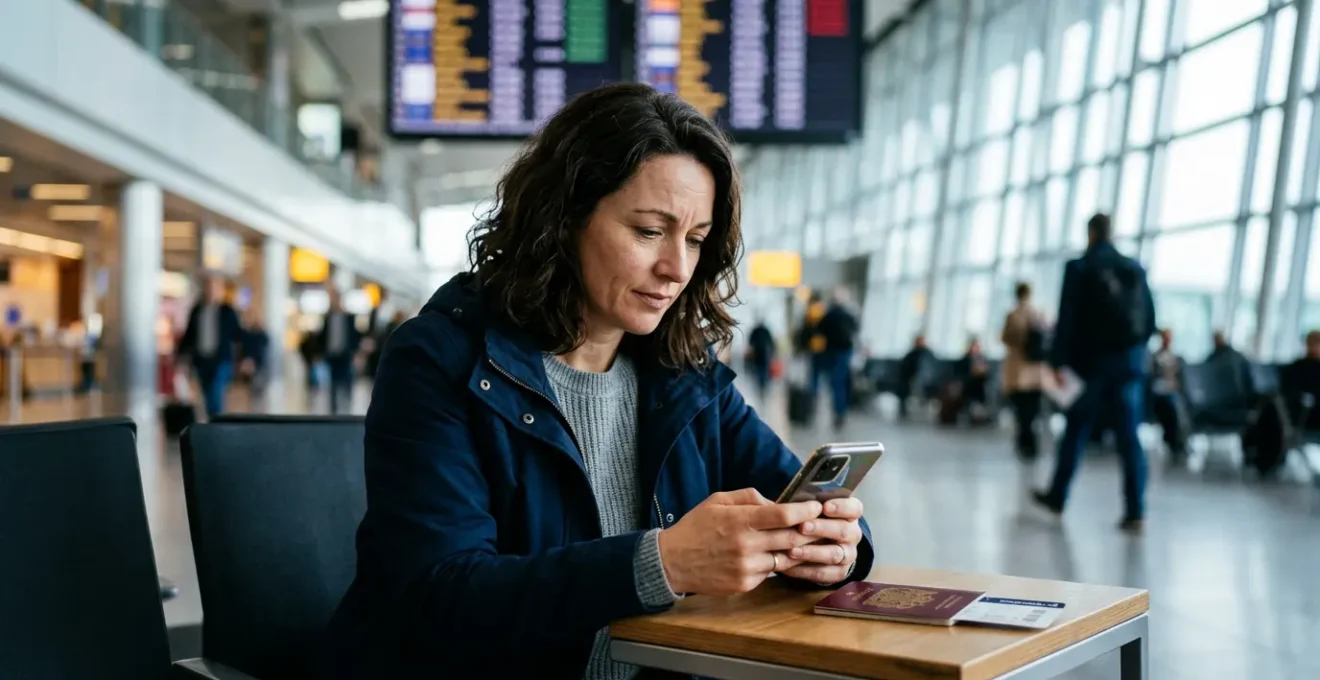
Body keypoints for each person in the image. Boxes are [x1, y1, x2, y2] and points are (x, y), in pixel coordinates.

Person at [324, 83, 874, 679]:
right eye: (648, 231)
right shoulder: (439, 361)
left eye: (695, 239)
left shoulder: (685, 377)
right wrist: (661, 564)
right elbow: (439, 597)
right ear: (564, 219)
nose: (677, 268)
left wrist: (836, 547)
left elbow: (806, 497)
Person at [1033, 213, 1155, 533]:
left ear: (1090, 233)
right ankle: (1136, 510)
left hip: (1091, 368)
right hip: (1128, 367)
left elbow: (1068, 320)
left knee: (1075, 431)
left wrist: (1059, 363)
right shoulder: (1133, 268)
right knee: (1129, 439)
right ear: (1112, 233)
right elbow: (1150, 321)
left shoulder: (1080, 268)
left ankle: (1058, 495)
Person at [176, 276, 242, 417]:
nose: (211, 291)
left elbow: (239, 335)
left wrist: (246, 358)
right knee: (206, 394)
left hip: (221, 360)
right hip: (201, 361)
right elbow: (189, 335)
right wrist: (180, 356)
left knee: (215, 392)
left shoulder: (227, 312)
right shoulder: (197, 311)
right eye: (208, 287)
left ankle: (216, 422)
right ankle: (212, 420)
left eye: (215, 287)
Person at [1000, 282, 1048, 459]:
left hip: (1019, 371)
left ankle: (1024, 443)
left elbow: (1006, 338)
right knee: (1033, 410)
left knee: (1021, 412)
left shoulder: (1014, 315)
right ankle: (1032, 444)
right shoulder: (1039, 314)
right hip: (1036, 373)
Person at [816, 287, 859, 429]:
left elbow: (820, 330)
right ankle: (841, 411)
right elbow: (855, 329)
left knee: (836, 384)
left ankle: (838, 411)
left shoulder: (829, 315)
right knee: (843, 383)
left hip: (832, 353)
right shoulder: (848, 315)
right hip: (846, 353)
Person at [318, 287, 362, 415]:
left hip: (346, 354)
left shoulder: (349, 318)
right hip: (332, 355)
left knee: (347, 380)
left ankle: (347, 404)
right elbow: (323, 336)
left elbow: (354, 336)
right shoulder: (327, 318)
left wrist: (356, 352)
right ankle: (334, 408)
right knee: (333, 382)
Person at [1148, 328, 1188, 456]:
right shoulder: (1154, 358)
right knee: (1172, 403)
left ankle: (1180, 439)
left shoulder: (1177, 358)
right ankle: (1175, 440)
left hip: (1175, 392)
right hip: (1159, 394)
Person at [952, 335, 991, 424]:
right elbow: (958, 374)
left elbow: (987, 374)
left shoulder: (982, 360)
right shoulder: (964, 360)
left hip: (978, 384)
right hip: (966, 384)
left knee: (979, 383)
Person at [896, 334, 935, 418]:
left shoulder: (928, 353)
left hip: (925, 378)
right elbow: (905, 365)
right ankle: (903, 407)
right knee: (903, 384)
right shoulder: (912, 353)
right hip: (910, 376)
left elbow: (931, 367)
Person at [745, 316, 776, 399]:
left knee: (762, 374)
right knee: (761, 374)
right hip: (760, 358)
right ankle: (762, 388)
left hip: (762, 358)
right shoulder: (763, 331)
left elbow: (750, 343)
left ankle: (762, 388)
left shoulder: (758, 331)